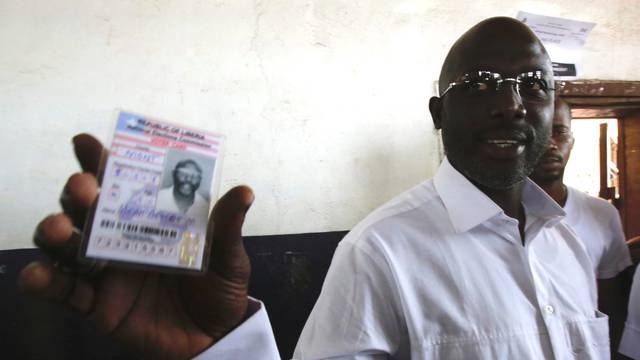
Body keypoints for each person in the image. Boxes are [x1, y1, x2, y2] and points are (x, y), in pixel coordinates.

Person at [19, 17, 611, 359]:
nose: (511, 105)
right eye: (481, 85)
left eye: (533, 84)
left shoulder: (574, 246)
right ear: (437, 113)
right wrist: (226, 349)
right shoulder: (381, 252)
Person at [530, 95, 633, 353]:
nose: (550, 143)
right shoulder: (498, 216)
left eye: (559, 131)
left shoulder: (602, 214)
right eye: (539, 131)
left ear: (572, 140)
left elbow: (612, 304)